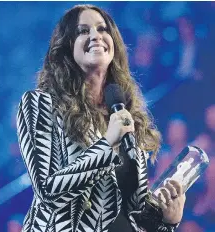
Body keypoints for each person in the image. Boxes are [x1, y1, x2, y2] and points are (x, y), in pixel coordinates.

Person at [16, 4, 186, 232]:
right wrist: (107, 144)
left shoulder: (125, 112)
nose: (95, 36)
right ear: (65, 47)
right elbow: (48, 191)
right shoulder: (41, 103)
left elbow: (132, 210)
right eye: (83, 31)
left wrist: (167, 220)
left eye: (102, 29)